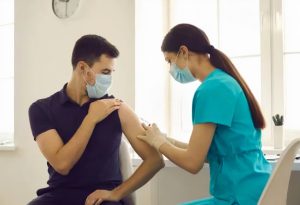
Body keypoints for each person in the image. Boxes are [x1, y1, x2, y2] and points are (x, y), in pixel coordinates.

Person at [137, 24, 272, 205]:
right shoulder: (223, 82)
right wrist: (167, 140)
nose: (171, 68)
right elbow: (211, 153)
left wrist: (159, 143)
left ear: (183, 52)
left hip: (239, 197)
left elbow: (193, 162)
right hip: (254, 190)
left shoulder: (212, 89)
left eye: (170, 61)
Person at [28, 34, 164, 205]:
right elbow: (62, 164)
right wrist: (91, 119)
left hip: (103, 199)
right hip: (59, 196)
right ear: (83, 68)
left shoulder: (117, 108)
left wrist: (116, 194)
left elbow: (155, 160)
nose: (109, 79)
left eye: (111, 72)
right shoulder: (42, 109)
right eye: (105, 72)